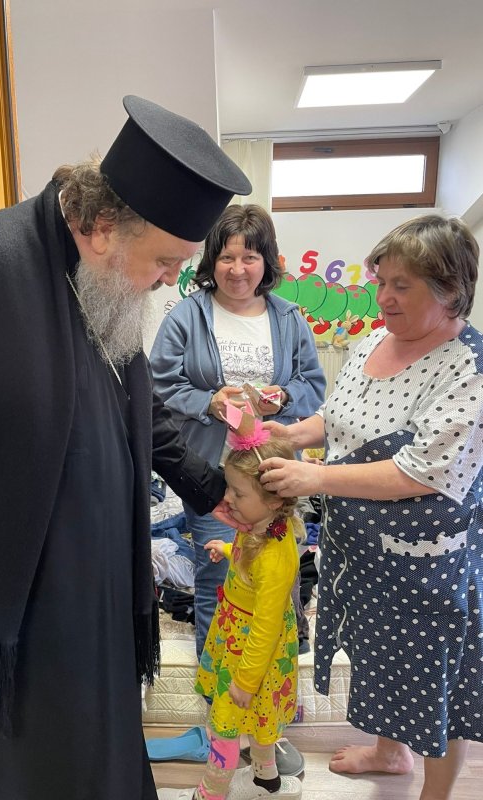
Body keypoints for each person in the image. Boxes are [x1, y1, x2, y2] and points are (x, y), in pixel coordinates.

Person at [0, 94, 253, 800]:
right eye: (165, 261)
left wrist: (209, 486)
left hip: (92, 607)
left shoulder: (104, 283)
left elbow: (137, 411)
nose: (168, 280)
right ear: (103, 227)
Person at [257, 214, 483, 800]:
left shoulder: (468, 369)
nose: (383, 297)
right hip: (359, 552)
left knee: (431, 676)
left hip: (425, 563)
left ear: (451, 289)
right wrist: (291, 434)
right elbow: (339, 420)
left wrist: (315, 476)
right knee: (380, 656)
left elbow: (419, 472)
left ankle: (435, 793)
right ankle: (390, 752)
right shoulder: (372, 342)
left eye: (401, 285)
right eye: (381, 280)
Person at [150, 204, 325, 663]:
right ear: (212, 261)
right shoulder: (187, 316)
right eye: (227, 257)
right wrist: (209, 402)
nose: (237, 269)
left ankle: (273, 682)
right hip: (214, 475)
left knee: (279, 576)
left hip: (276, 473)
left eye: (250, 257)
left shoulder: (288, 318)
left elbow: (313, 385)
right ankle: (218, 686)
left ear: (267, 261)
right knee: (219, 575)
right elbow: (158, 386)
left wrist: (283, 398)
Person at [158, 432, 303, 800]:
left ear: (274, 500)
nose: (227, 499)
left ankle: (210, 793)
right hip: (237, 636)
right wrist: (226, 548)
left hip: (251, 652)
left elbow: (266, 626)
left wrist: (246, 680)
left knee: (224, 725)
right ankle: (266, 782)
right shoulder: (259, 525)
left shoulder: (276, 556)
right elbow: (249, 563)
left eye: (238, 493)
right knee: (260, 718)